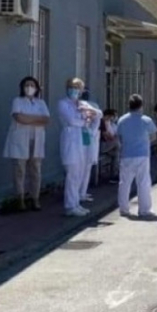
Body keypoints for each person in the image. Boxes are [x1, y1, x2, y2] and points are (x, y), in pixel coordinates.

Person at [2, 76, 51, 211]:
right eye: (26, 85)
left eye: (32, 85)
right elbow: (19, 118)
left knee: (36, 170)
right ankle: (20, 199)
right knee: (20, 170)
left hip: (37, 139)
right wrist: (36, 119)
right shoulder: (17, 101)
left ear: (36, 88)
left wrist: (28, 118)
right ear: (22, 88)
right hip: (20, 139)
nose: (29, 88)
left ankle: (35, 198)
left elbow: (46, 120)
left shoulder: (41, 103)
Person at [116, 95, 157, 218]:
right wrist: (144, 142)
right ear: (141, 106)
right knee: (143, 182)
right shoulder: (146, 120)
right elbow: (153, 137)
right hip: (142, 155)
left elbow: (119, 137)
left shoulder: (122, 120)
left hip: (126, 154)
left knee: (124, 183)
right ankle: (144, 210)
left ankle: (123, 209)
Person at [57, 78, 94, 217]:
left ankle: (76, 203)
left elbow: (92, 117)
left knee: (79, 174)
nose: (74, 90)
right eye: (71, 87)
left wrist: (86, 119)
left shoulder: (82, 104)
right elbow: (71, 120)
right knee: (72, 174)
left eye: (77, 88)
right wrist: (84, 121)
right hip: (70, 140)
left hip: (82, 140)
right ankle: (70, 206)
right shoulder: (62, 103)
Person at [78, 89, 103, 204]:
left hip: (89, 138)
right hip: (82, 138)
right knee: (81, 168)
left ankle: (82, 192)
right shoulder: (77, 105)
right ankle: (80, 193)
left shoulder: (92, 106)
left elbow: (98, 116)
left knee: (86, 168)